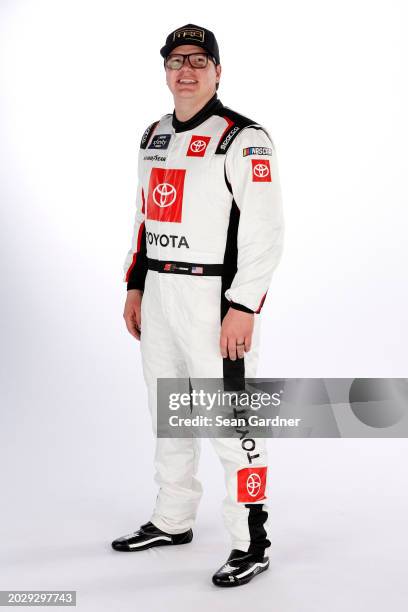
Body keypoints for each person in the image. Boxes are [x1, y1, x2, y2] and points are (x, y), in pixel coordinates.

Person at [112, 23, 284, 588]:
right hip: (161, 292)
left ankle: (250, 539)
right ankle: (172, 517)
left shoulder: (243, 138)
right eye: (175, 60)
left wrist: (244, 306)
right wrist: (136, 284)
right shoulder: (155, 134)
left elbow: (265, 231)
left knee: (230, 422)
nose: (186, 71)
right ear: (165, 70)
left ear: (217, 70)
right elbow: (145, 219)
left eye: (198, 60)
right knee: (169, 414)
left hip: (216, 300)